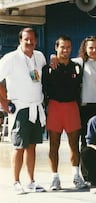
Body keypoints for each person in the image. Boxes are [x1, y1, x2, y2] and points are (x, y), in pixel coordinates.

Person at [0, 27, 47, 194]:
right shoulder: (10, 58)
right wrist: (4, 102)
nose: (29, 42)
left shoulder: (39, 57)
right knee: (19, 146)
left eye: (32, 39)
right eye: (26, 39)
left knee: (32, 146)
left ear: (36, 40)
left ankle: (31, 181)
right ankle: (15, 181)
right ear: (20, 40)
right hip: (20, 108)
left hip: (36, 107)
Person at [42, 35, 86, 190]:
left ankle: (76, 176)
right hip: (54, 107)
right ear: (56, 47)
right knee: (54, 144)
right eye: (62, 47)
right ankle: (55, 178)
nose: (65, 50)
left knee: (74, 144)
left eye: (68, 47)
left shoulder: (77, 67)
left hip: (72, 107)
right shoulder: (48, 67)